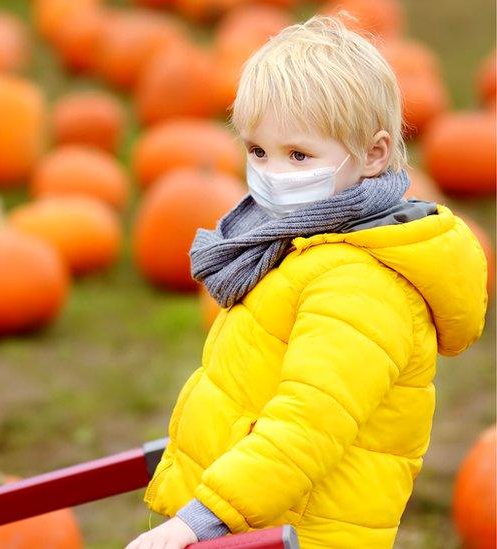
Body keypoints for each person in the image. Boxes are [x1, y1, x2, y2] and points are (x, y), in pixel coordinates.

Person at [127, 14, 489, 549]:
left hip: (303, 531)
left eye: (299, 155)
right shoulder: (305, 244)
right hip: (261, 514)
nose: (272, 174)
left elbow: (308, 425)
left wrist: (196, 521)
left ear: (373, 153)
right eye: (258, 151)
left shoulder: (361, 285)